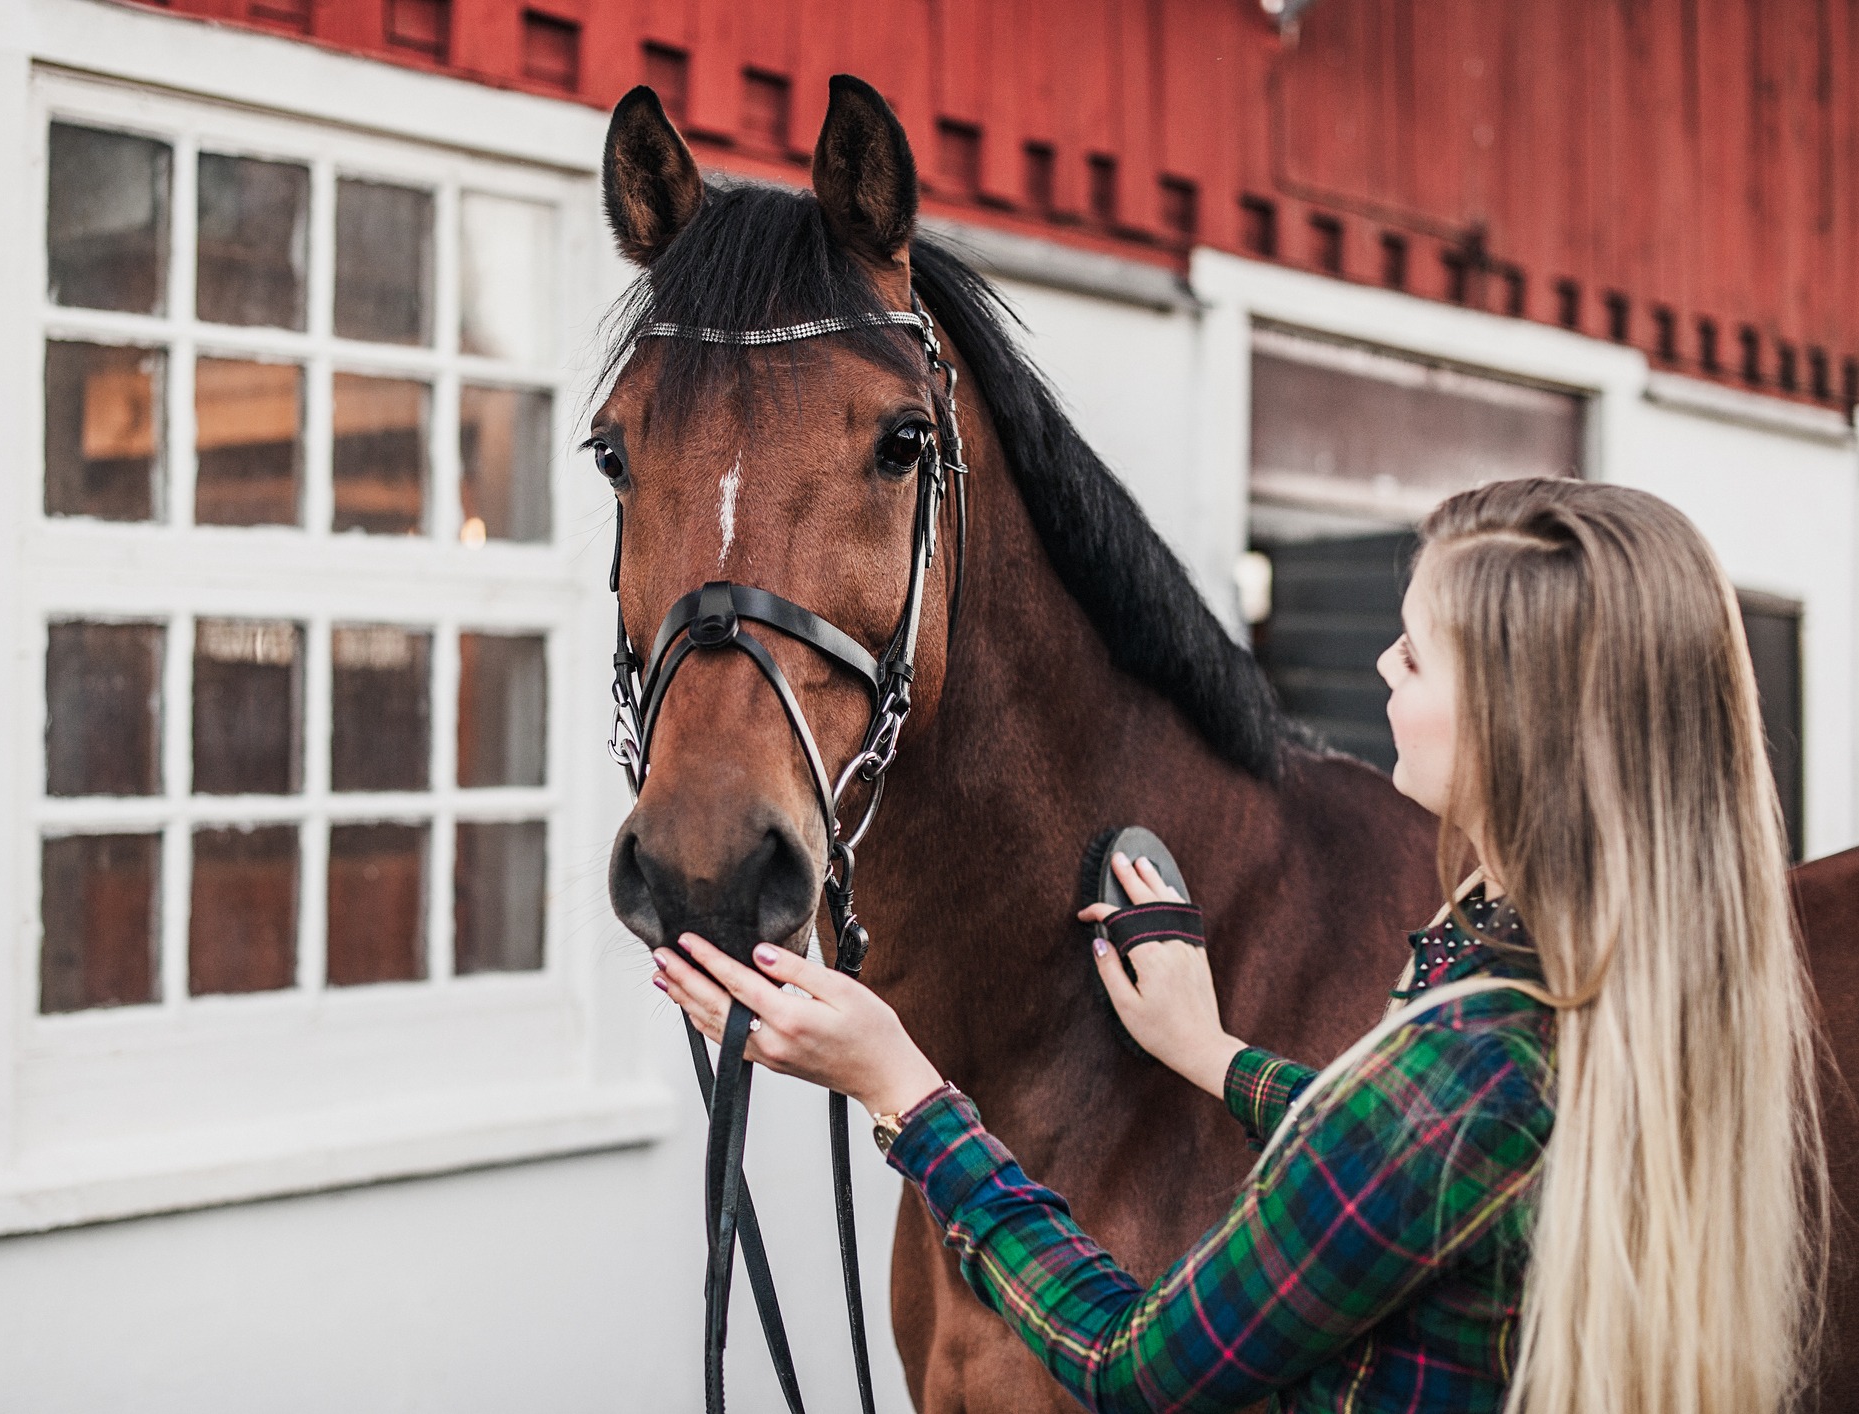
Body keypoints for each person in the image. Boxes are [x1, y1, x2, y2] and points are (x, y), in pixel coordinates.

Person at [652, 478, 1825, 1414]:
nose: (1380, 669)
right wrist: (1213, 1053)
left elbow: (1132, 1366)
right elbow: (1408, 1163)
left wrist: (903, 1089)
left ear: (1521, 716)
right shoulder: (1589, 987)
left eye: (1414, 656)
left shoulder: (1471, 1057)